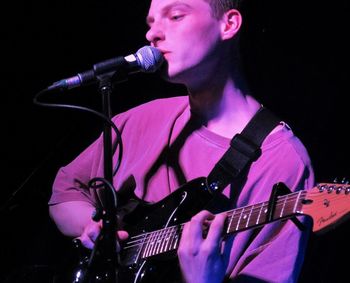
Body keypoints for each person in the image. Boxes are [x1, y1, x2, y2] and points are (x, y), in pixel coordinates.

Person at [48, 0, 315, 282]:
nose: (152, 35)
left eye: (175, 16)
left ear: (229, 24)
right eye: (150, 23)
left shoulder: (284, 161)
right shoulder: (144, 119)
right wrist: (97, 229)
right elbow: (66, 190)